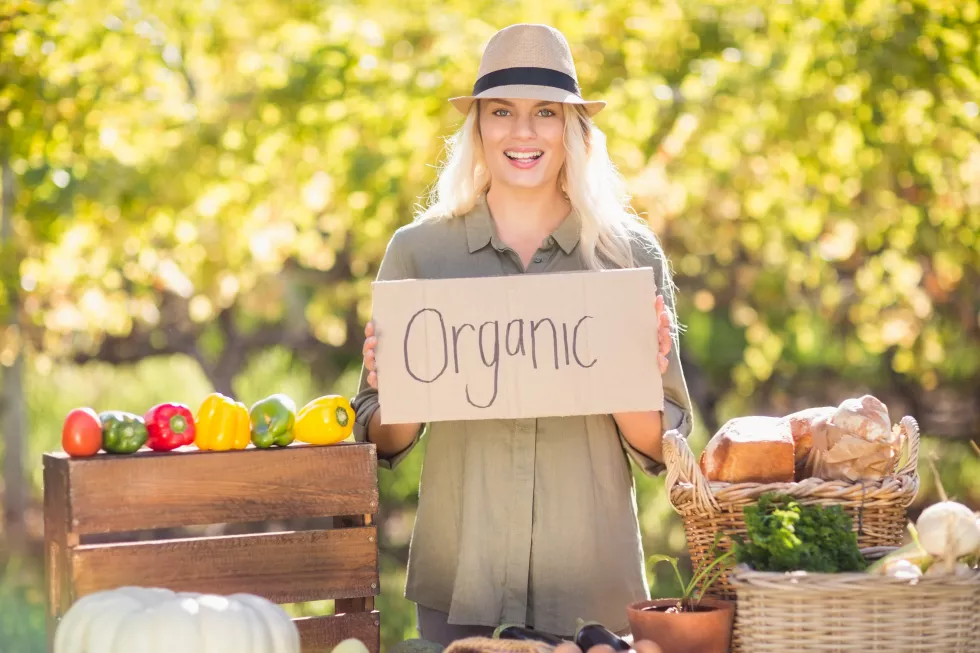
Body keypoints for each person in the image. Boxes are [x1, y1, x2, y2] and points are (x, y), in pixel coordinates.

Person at [350, 23, 695, 647]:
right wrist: (394, 384)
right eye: (501, 111)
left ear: (574, 130)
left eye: (545, 112)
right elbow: (380, 439)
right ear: (478, 126)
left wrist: (627, 366)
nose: (523, 132)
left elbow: (658, 447)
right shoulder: (419, 253)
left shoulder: (627, 257)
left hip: (593, 590)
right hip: (463, 581)